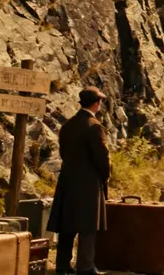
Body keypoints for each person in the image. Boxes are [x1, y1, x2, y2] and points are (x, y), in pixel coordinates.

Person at [48, 87, 110, 275]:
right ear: (97, 103)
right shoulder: (94, 126)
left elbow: (63, 153)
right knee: (87, 226)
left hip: (67, 179)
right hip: (88, 182)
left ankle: (62, 265)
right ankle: (85, 266)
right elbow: (102, 157)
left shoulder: (68, 125)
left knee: (67, 224)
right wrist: (105, 176)